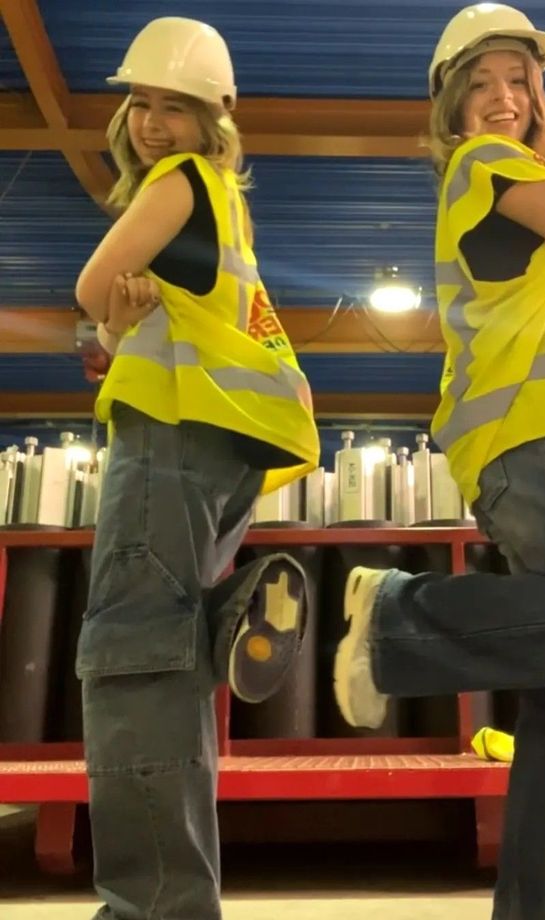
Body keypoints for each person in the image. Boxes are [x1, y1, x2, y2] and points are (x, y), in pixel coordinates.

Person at [333, 5, 545, 919]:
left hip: (542, 437)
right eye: (478, 85)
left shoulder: (522, 199)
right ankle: (397, 619)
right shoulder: (487, 167)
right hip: (543, 433)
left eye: (517, 82)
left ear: (538, 95)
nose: (501, 99)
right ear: (450, 107)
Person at [74, 17, 320, 920]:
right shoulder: (226, 203)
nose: (150, 122)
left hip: (171, 442)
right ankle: (228, 606)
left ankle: (154, 910)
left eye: (174, 107)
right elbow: (126, 313)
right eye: (140, 102)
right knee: (169, 652)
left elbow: (93, 286)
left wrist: (109, 312)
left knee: (132, 657)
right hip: (228, 453)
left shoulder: (181, 181)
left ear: (214, 119)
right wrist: (120, 318)